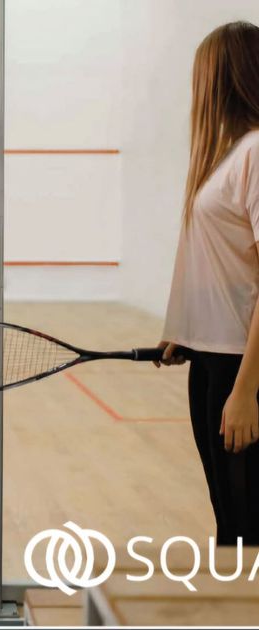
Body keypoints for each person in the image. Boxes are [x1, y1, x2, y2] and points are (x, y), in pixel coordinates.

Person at [158, 21, 259, 547]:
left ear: (225, 78)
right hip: (212, 362)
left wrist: (246, 392)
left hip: (244, 369)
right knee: (230, 524)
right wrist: (189, 333)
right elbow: (221, 264)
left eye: (202, 75)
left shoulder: (256, 152)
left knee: (247, 529)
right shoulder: (228, 155)